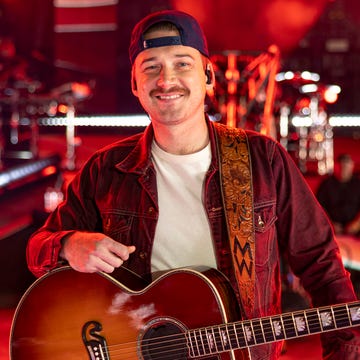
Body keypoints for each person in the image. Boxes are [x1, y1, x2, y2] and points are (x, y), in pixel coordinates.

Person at [27, 9, 360, 359]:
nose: (166, 79)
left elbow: (323, 267)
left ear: (208, 76)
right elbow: (38, 248)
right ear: (134, 84)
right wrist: (68, 245)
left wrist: (344, 353)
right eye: (151, 66)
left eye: (182, 63)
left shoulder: (263, 160)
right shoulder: (106, 169)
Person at [317, 153, 360, 237]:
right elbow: (319, 207)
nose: (344, 168)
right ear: (336, 166)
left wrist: (357, 224)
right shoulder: (326, 184)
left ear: (352, 166)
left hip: (355, 230)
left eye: (347, 165)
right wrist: (330, 223)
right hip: (330, 229)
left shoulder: (358, 184)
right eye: (342, 165)